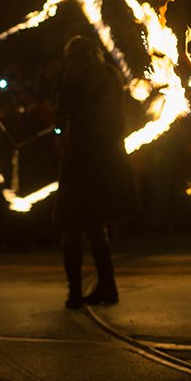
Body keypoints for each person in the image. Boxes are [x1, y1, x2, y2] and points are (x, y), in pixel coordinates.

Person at [54, 35, 136, 309]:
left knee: (72, 226)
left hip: (81, 158)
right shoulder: (109, 75)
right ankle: (107, 287)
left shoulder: (73, 78)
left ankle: (76, 292)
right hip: (105, 158)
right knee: (95, 226)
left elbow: (62, 112)